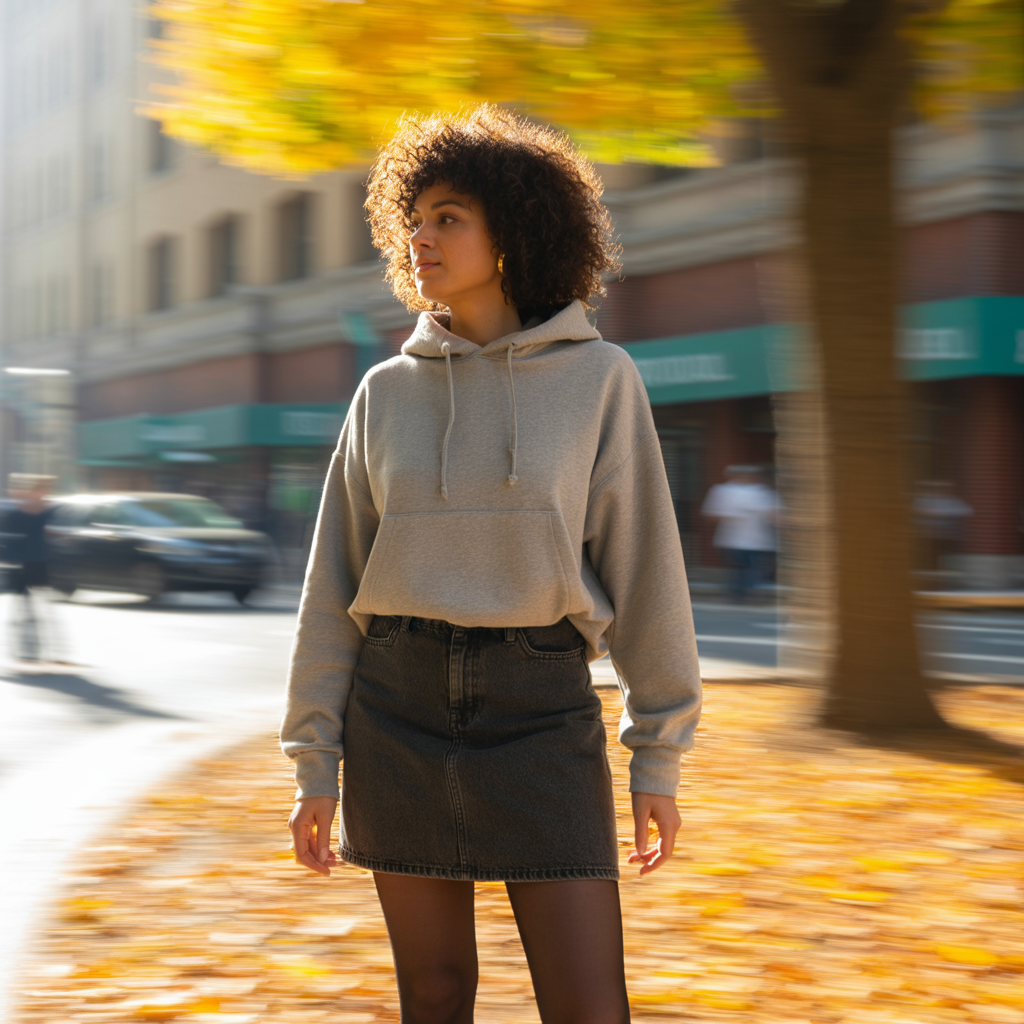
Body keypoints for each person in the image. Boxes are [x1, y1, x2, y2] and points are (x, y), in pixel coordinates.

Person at [281, 106, 702, 1024]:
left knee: (589, 1005)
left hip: (541, 710)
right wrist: (314, 760)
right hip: (395, 708)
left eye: (449, 217)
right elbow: (333, 586)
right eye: (416, 218)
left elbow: (647, 576)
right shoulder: (383, 391)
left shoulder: (600, 379)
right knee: (433, 997)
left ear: (511, 230)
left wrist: (658, 759)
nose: (421, 237)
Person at [2, 473, 59, 662]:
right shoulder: (17, 513)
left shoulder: (46, 512)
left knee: (42, 607)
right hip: (22, 564)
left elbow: (51, 533)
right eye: (42, 490)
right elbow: (10, 540)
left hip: (40, 563)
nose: (45, 494)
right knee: (24, 607)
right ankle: (24, 649)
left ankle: (46, 649)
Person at [701, 466, 779, 602]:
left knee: (748, 568)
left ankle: (742, 594)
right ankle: (742, 594)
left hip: (755, 539)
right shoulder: (723, 490)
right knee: (743, 568)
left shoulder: (763, 492)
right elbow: (711, 514)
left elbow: (775, 516)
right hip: (734, 538)